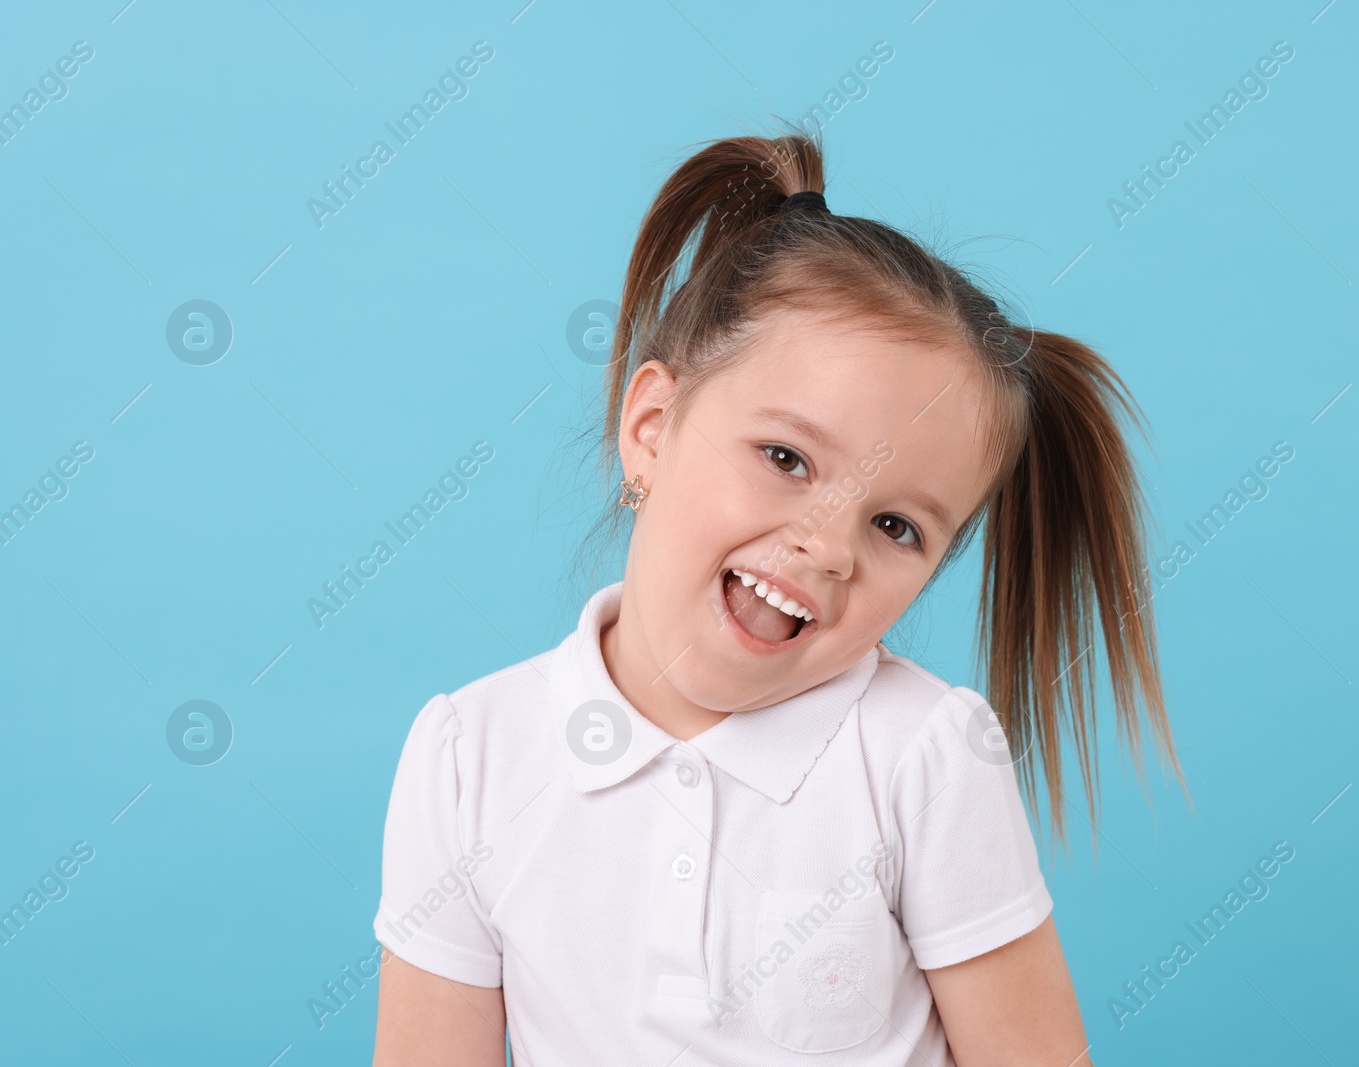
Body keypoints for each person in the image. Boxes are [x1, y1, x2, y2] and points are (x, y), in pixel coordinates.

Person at [370, 124, 1186, 1066]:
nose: (828, 546)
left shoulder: (924, 755)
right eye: (787, 459)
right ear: (651, 427)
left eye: (896, 527)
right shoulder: (472, 759)